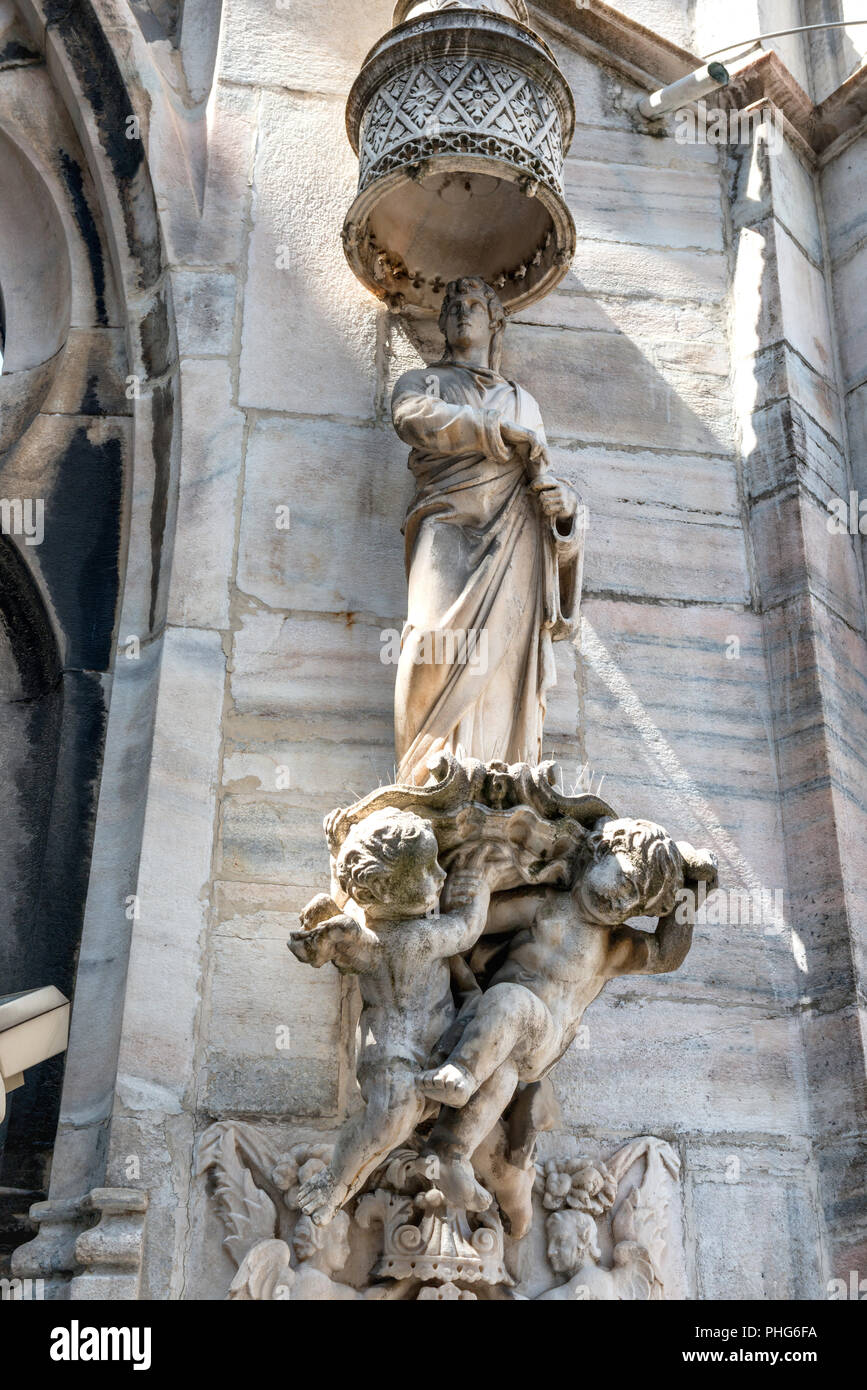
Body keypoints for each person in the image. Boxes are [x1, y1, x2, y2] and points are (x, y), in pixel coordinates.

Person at [418, 817, 716, 1206]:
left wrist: (697, 888)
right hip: (501, 1031)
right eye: (624, 882)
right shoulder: (542, 907)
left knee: (512, 1001)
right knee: (502, 1073)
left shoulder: (611, 947)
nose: (621, 903)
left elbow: (666, 955)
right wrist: (472, 890)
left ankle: (461, 1071)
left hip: (545, 1035)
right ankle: (450, 1152)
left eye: (634, 903)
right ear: (597, 854)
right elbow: (474, 927)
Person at [391, 276, 582, 783]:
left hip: (514, 536)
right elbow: (411, 418)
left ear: (495, 321)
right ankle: (423, 771)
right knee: (430, 636)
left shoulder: (524, 402)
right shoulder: (421, 381)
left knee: (501, 658)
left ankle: (498, 771)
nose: (460, 310)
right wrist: (493, 432)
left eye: (473, 303)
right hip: (448, 520)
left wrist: (566, 511)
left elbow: (545, 480)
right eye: (451, 303)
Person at [288, 808, 494, 1224]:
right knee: (387, 1118)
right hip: (391, 1050)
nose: (441, 875)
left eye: (440, 864)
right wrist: (478, 889)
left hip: (442, 1040)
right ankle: (335, 1181)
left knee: (471, 1079)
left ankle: (447, 1148)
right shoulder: (391, 937)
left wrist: (336, 854)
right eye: (428, 869)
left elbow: (348, 907)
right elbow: (468, 928)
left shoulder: (409, 934)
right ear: (382, 887)